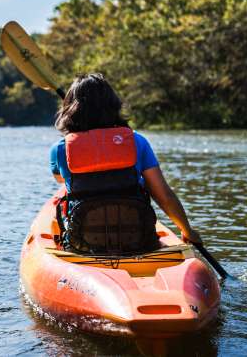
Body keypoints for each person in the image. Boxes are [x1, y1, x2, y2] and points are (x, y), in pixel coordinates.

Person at [49, 73, 202, 254]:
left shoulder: (60, 149)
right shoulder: (137, 141)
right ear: (113, 106)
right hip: (137, 240)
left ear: (70, 109)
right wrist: (187, 230)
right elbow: (164, 196)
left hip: (83, 243)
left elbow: (60, 180)